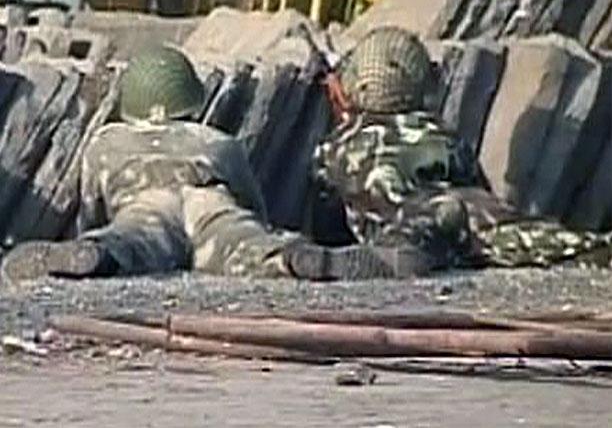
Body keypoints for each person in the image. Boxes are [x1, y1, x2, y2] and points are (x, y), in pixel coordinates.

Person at [1, 44, 405, 284]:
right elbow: (250, 202)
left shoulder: (105, 143)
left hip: (145, 206)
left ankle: (94, 256)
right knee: (245, 245)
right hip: (210, 202)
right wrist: (261, 228)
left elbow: (91, 206)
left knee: (130, 243)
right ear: (191, 99)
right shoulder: (217, 142)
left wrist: (91, 237)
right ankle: (292, 259)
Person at [314, 26, 612, 271]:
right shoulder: (444, 136)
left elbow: (326, 224)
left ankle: (402, 255)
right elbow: (474, 182)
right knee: (542, 241)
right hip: (484, 213)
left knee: (439, 238)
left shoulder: (335, 147)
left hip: (425, 225)